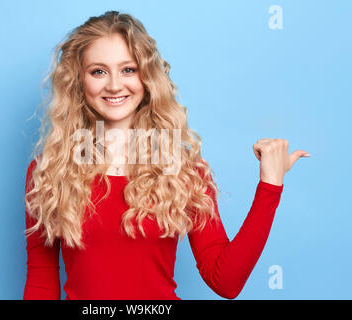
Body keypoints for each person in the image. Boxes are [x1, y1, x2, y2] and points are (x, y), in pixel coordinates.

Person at [22, 10, 309, 300]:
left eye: (128, 70)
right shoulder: (51, 170)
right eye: (99, 71)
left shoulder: (181, 168)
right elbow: (41, 284)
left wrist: (270, 186)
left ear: (147, 77)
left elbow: (226, 281)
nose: (114, 85)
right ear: (79, 82)